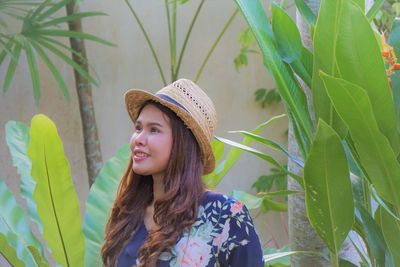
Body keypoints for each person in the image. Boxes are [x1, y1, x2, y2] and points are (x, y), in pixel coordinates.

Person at [101, 79, 264, 267]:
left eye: (154, 130)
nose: (139, 139)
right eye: (138, 128)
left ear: (183, 143)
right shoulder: (128, 212)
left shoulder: (225, 215)